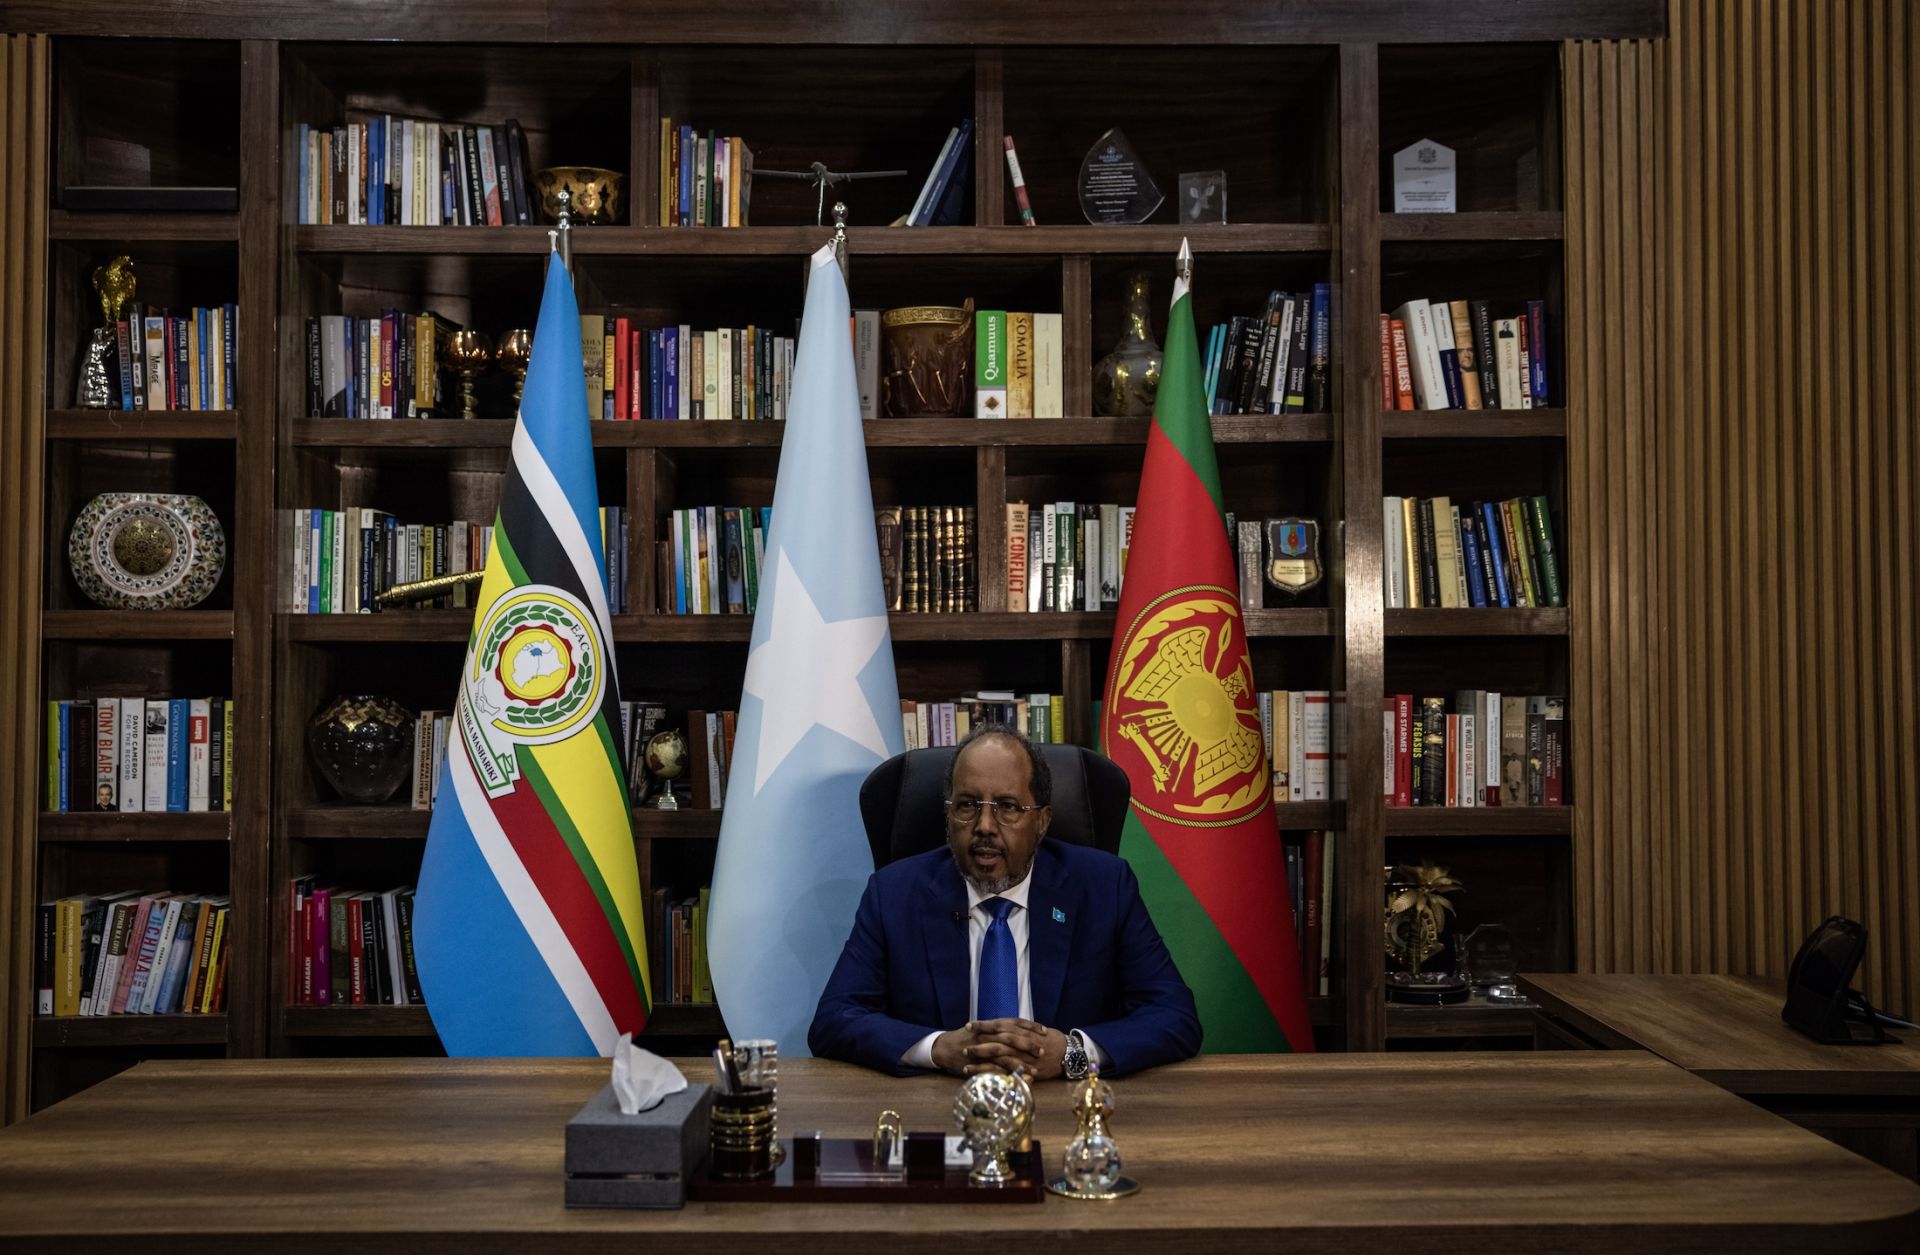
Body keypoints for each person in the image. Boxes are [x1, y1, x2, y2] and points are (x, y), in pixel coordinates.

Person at [809, 726, 1201, 1079]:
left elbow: (1174, 1016)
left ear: (1043, 821)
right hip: (942, 1114)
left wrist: (1072, 1052)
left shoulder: (1103, 887)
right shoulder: (894, 893)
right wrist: (938, 1048)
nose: (983, 826)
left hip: (1066, 1112)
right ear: (948, 816)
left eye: (1008, 807)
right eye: (966, 805)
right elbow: (834, 1021)